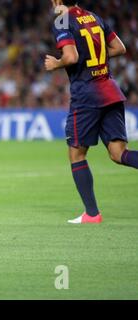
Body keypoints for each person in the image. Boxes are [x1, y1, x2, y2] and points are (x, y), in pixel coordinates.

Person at [45, 0, 138, 224]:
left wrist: (56, 64)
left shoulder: (62, 19)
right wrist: (93, 56)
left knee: (77, 154)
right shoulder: (94, 17)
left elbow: (71, 57)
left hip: (87, 94)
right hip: (110, 91)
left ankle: (92, 214)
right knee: (118, 153)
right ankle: (91, 214)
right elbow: (119, 48)